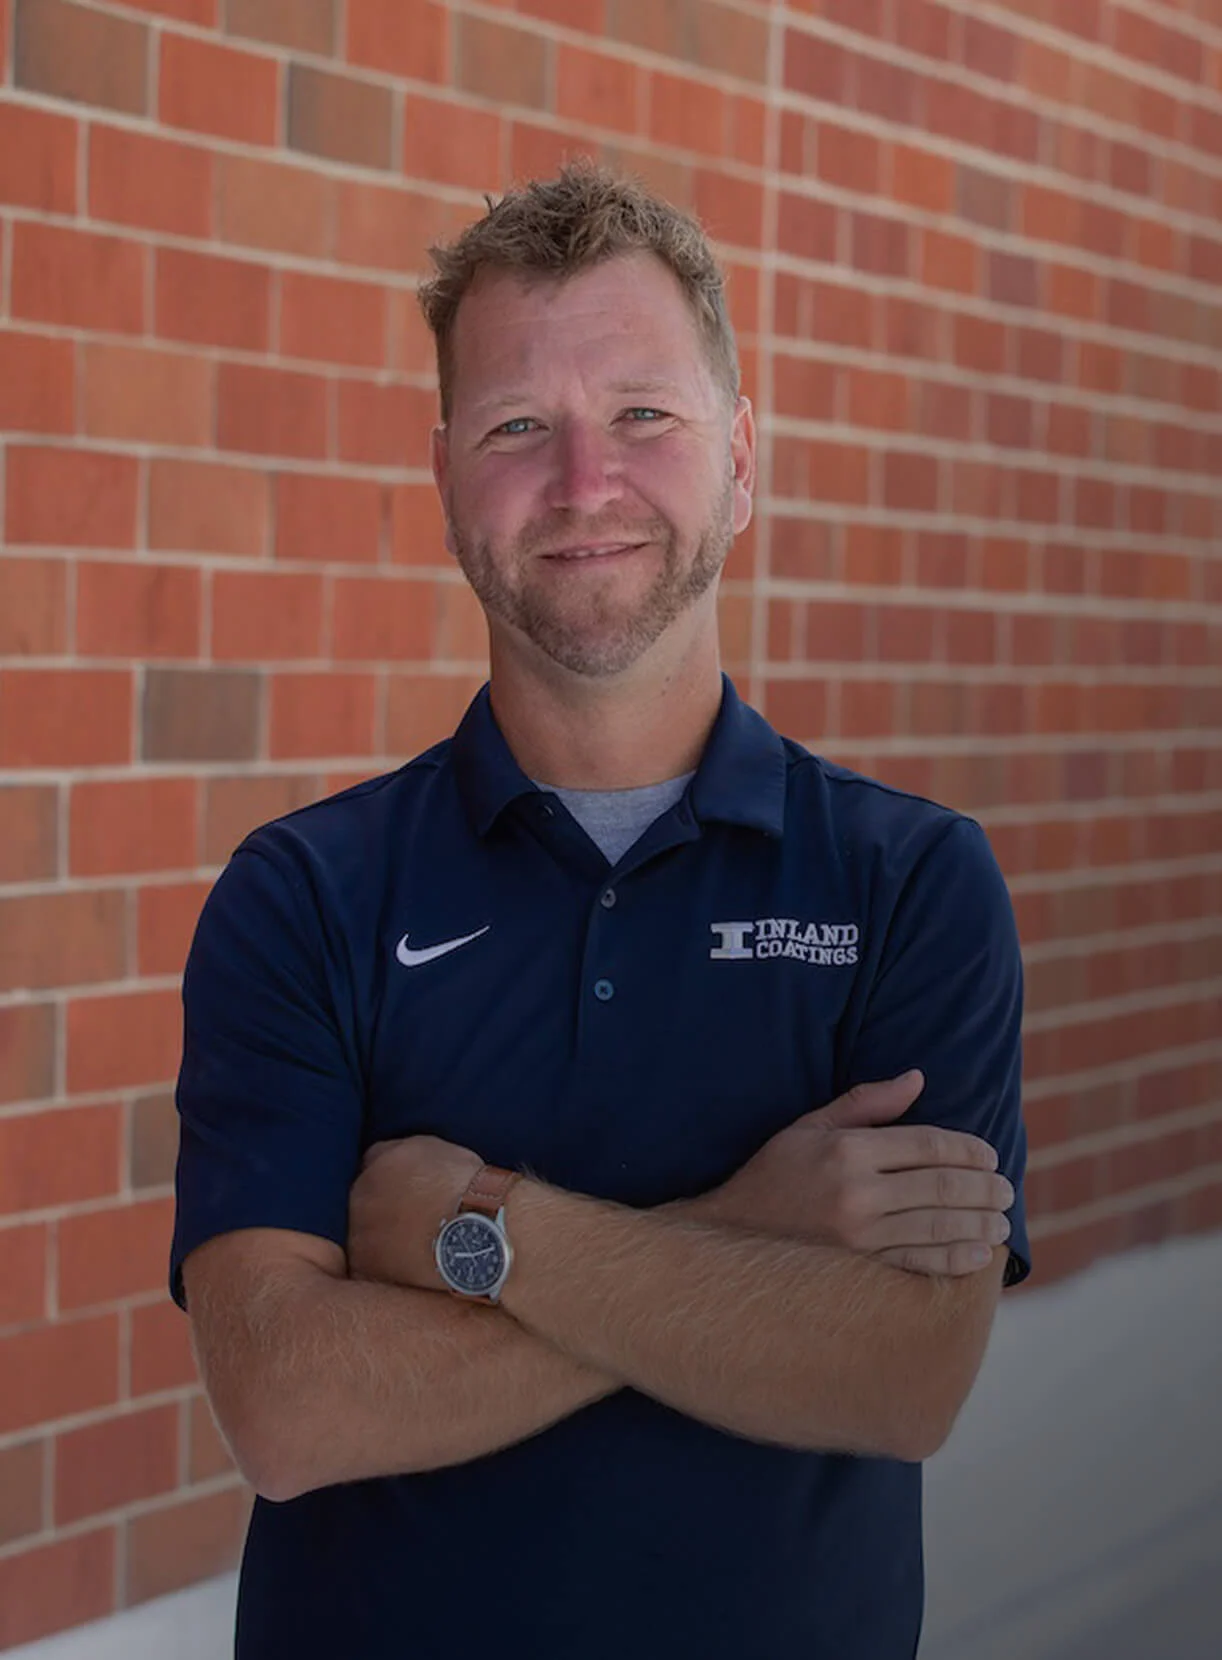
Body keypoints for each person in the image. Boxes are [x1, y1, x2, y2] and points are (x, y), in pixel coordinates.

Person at [172, 162, 1028, 1660]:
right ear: (445, 474)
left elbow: (899, 1378)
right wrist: (745, 1233)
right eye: (518, 428)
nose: (583, 486)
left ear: (742, 457)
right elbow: (290, 1409)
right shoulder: (302, 895)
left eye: (643, 414)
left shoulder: (911, 886)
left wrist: (473, 1231)